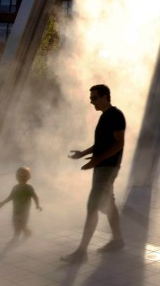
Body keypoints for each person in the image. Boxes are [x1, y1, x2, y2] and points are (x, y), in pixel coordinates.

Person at [61, 84, 126, 264]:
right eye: (91, 99)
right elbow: (102, 144)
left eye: (95, 98)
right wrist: (83, 153)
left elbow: (119, 144)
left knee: (92, 207)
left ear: (105, 97)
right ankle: (118, 241)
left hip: (107, 168)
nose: (92, 102)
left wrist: (97, 161)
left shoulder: (115, 115)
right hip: (103, 167)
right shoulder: (105, 116)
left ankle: (81, 253)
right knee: (108, 205)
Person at [0, 166, 42, 242]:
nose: (22, 178)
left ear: (28, 177)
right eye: (20, 176)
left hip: (24, 211)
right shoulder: (15, 187)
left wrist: (37, 205)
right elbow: (11, 197)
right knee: (16, 223)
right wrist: (3, 203)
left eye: (25, 176)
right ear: (16, 177)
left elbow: (35, 196)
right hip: (16, 210)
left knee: (21, 224)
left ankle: (16, 237)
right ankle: (27, 232)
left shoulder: (28, 188)